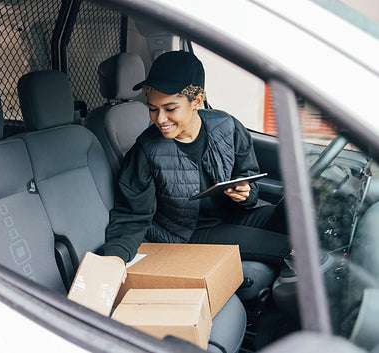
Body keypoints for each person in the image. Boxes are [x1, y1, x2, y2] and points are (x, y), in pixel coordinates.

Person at [98, 51, 288, 267]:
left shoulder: (228, 127)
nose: (160, 119)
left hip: (234, 214)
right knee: (291, 250)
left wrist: (246, 193)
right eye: (152, 109)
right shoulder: (145, 151)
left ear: (197, 101)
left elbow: (248, 175)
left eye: (170, 109)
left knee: (300, 226)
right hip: (187, 232)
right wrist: (114, 258)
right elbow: (132, 216)